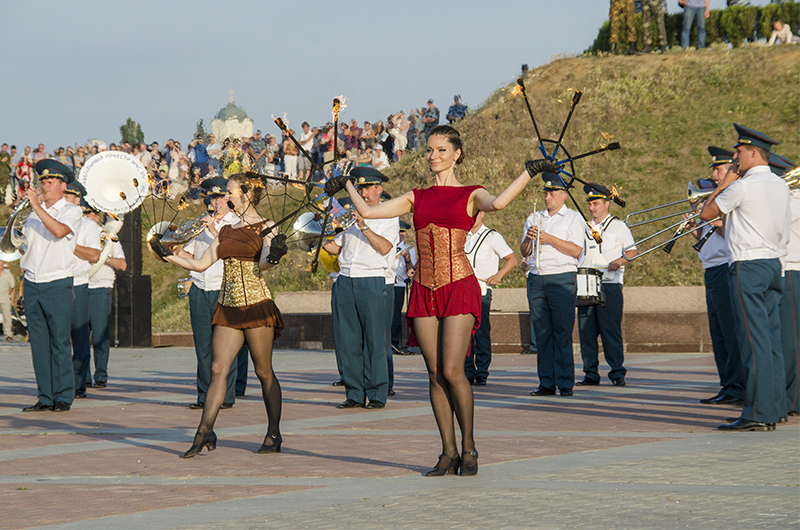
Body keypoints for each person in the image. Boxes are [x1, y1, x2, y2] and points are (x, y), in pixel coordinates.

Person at [325, 124, 558, 477]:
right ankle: (447, 452)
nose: (434, 156)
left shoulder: (470, 193)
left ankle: (469, 446)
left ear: (456, 154)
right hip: (424, 288)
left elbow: (499, 203)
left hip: (459, 285)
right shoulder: (416, 196)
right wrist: (345, 185)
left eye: (441, 150)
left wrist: (528, 171)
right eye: (430, 150)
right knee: (434, 374)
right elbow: (371, 213)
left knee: (452, 370)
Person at [150, 172, 288, 456]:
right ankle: (204, 432)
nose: (226, 197)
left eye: (231, 192)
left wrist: (273, 256)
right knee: (217, 369)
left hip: (256, 304)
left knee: (263, 372)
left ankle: (274, 433)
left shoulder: (268, 226)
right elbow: (200, 264)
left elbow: (263, 265)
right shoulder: (225, 229)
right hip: (228, 307)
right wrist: (164, 254)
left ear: (247, 194)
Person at [700, 124, 791, 432]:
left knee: (752, 341)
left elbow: (706, 213)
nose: (735, 158)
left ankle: (757, 413)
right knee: (772, 341)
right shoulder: (781, 186)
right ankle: (775, 408)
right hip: (773, 265)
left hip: (748, 267)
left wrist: (726, 181)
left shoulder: (742, 186)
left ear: (753, 152)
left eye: (738, 152)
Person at [323, 167, 399, 411]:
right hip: (345, 280)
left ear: (379, 190)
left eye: (367, 188)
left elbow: (385, 247)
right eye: (360, 188)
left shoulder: (388, 216)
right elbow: (335, 248)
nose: (363, 193)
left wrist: (365, 226)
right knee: (348, 341)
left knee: (375, 341)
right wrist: (319, 234)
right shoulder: (349, 215)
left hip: (371, 280)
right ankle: (354, 393)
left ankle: (377, 392)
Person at [178, 177, 249, 410]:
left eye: (220, 197)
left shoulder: (237, 223)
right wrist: (175, 247)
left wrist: (213, 228)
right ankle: (204, 395)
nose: (216, 202)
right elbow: (191, 257)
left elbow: (234, 251)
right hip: (200, 287)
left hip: (224, 288)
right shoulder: (200, 222)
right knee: (203, 346)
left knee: (226, 345)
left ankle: (226, 396)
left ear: (228, 199)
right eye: (212, 198)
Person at [21, 160, 83, 412]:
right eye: (42, 182)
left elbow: (58, 231)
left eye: (49, 182)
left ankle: (62, 396)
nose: (44, 187)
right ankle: (44, 396)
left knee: (59, 341)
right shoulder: (32, 214)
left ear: (62, 185)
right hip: (33, 281)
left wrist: (35, 205)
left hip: (57, 281)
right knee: (38, 343)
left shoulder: (71, 211)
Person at [521, 176, 585, 397]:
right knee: (542, 333)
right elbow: (524, 251)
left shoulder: (573, 218)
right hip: (537, 277)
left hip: (561, 277)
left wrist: (550, 238)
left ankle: (566, 382)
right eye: (545, 194)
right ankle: (546, 382)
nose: (547, 198)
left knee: (562, 331)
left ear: (564, 195)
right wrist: (529, 239)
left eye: (552, 194)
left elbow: (576, 250)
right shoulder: (534, 217)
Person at [689, 147, 744, 405]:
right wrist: (695, 229)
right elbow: (706, 239)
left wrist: (719, 225)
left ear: (732, 170)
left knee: (730, 331)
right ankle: (726, 384)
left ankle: (736, 386)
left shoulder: (733, 195)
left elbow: (734, 237)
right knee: (718, 332)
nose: (713, 173)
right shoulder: (714, 198)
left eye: (718, 169)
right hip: (710, 268)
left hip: (725, 267)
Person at [576, 184, 637, 387]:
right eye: (590, 204)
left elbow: (631, 252)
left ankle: (617, 372)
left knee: (610, 330)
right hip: (586, 282)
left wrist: (619, 261)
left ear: (606, 204)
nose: (591, 208)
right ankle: (590, 373)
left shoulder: (619, 226)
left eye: (595, 203)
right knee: (586, 331)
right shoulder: (583, 226)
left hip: (609, 284)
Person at [463, 211, 517, 386]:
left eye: (475, 214)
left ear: (482, 214)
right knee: (463, 333)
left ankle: (482, 371)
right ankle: (467, 370)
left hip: (481, 291)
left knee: (481, 332)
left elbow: (511, 259)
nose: (472, 218)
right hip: (462, 291)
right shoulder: (461, 235)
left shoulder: (492, 236)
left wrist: (498, 275)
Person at [62, 183, 102, 397]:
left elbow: (94, 255)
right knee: (58, 338)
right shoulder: (51, 220)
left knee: (79, 336)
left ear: (78, 200)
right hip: (56, 282)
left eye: (70, 196)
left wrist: (69, 244)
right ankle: (60, 383)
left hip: (77, 283)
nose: (66, 198)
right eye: (65, 194)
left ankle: (78, 383)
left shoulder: (88, 226)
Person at [770, 154, 799, 418]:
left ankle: (794, 398)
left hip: (792, 269)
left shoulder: (794, 200)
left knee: (791, 340)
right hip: (785, 270)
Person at [86, 210, 127, 392]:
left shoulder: (109, 236)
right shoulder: (75, 233)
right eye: (87, 213)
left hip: (100, 288)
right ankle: (83, 377)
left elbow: (123, 264)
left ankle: (101, 375)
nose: (92, 217)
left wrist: (104, 256)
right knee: (79, 335)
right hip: (80, 285)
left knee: (100, 333)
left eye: (95, 214)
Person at [391, 221, 416, 355]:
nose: (401, 235)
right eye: (399, 231)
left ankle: (395, 343)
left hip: (399, 285)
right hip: (385, 282)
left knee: (395, 316)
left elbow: (412, 269)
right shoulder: (387, 246)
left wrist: (407, 259)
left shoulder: (409, 248)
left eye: (403, 232)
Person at [0, 261, 15, 342]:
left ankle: (8, 334)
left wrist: (8, 295)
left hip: (4, 298)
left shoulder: (7, 274)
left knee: (7, 317)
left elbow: (12, 286)